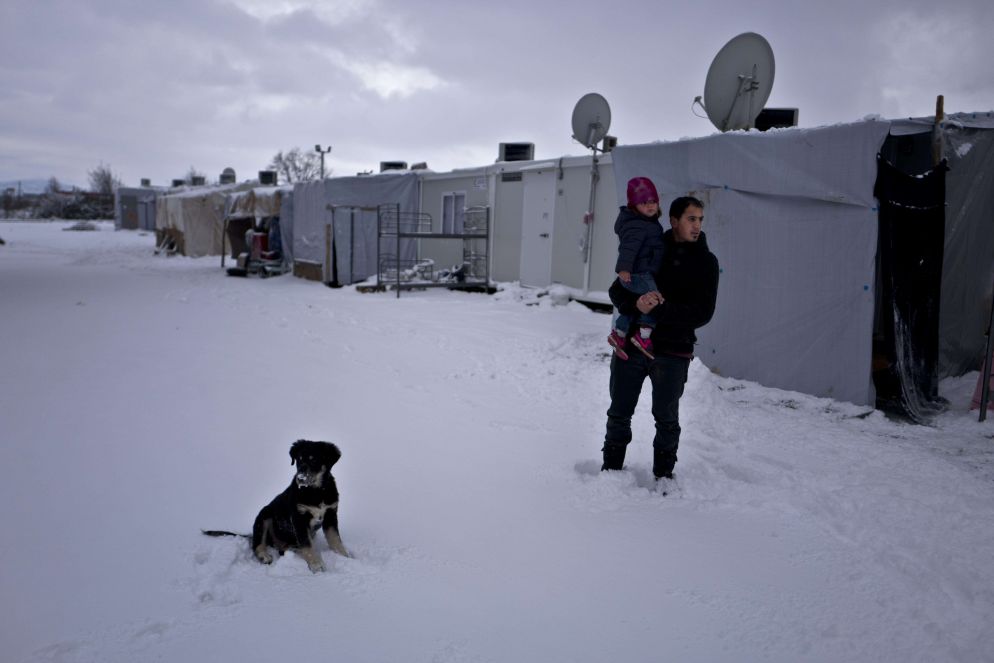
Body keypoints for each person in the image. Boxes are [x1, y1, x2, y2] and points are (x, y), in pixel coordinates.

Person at [601, 195, 719, 481]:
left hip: (673, 352)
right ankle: (611, 472)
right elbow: (617, 291)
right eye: (691, 219)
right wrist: (635, 306)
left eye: (700, 220)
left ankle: (664, 477)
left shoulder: (706, 262)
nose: (697, 226)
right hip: (632, 347)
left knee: (667, 420)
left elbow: (703, 313)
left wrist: (662, 310)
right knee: (619, 413)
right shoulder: (653, 249)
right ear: (674, 220)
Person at [607, 177, 666, 360]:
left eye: (653, 201)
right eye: (643, 202)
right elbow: (629, 248)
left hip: (640, 272)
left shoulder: (647, 222)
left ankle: (620, 333)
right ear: (634, 205)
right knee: (654, 300)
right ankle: (643, 336)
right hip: (638, 274)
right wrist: (623, 269)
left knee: (636, 305)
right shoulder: (638, 225)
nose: (650, 206)